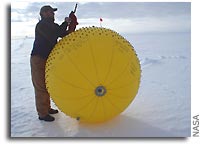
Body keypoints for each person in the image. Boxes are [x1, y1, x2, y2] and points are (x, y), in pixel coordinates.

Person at [30, 5, 77, 122]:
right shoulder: (41, 25)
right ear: (44, 13)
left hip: (49, 59)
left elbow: (64, 34)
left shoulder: (53, 25)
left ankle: (47, 108)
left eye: (53, 12)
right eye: (51, 12)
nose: (53, 14)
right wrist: (65, 22)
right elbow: (53, 34)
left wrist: (72, 23)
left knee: (47, 84)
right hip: (38, 59)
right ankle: (42, 113)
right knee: (40, 86)